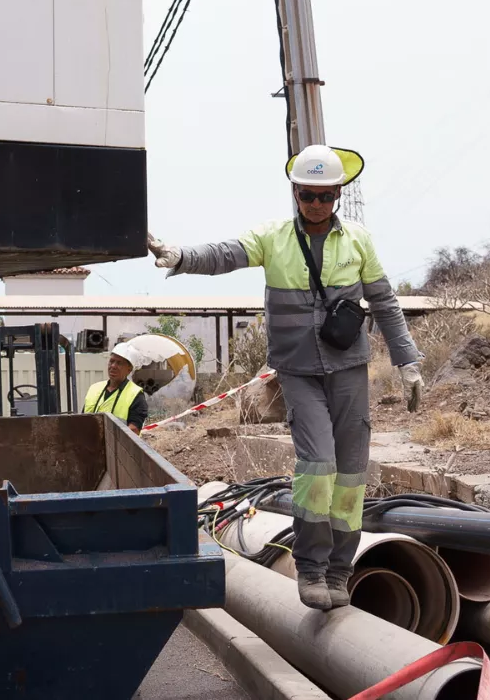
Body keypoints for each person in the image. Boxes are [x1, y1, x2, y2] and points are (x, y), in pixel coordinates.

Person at [146, 144, 424, 611]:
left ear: (337, 194)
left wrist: (407, 361)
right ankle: (311, 566)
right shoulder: (272, 237)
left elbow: (384, 300)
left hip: (348, 368)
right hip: (297, 371)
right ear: (295, 193)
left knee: (352, 475)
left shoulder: (357, 240)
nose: (316, 205)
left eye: (325, 196)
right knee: (318, 467)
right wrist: (180, 255)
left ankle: (341, 569)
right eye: (307, 195)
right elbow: (223, 254)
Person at [83, 344, 148, 432]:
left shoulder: (135, 394)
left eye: (119, 363)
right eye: (111, 361)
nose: (113, 366)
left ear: (129, 369)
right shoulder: (94, 388)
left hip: (117, 445)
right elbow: (82, 420)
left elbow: (134, 430)